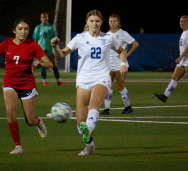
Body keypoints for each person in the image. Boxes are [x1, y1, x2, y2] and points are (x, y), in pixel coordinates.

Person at [0, 18, 53, 154]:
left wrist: (40, 63)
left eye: (26, 29)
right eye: (20, 29)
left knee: (30, 121)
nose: (23, 31)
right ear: (14, 31)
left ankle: (38, 122)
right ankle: (18, 146)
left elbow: (49, 63)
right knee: (10, 112)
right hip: (10, 83)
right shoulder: (6, 44)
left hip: (27, 84)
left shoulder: (33, 45)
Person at [51, 9, 128, 155]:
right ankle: (90, 146)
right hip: (83, 80)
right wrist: (55, 46)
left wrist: (123, 65)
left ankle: (89, 130)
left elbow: (122, 51)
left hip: (102, 78)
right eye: (92, 21)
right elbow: (62, 54)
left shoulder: (108, 38)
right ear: (87, 22)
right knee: (80, 123)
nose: (94, 23)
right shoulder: (79, 38)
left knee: (94, 105)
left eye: (97, 21)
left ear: (101, 22)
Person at [154, 15, 188, 104]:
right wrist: (181, 58)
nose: (182, 23)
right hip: (184, 60)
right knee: (175, 77)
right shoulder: (184, 32)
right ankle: (165, 96)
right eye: (181, 21)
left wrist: (180, 57)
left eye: (184, 21)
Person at [100, 14, 139, 115]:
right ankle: (107, 109)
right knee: (108, 86)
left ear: (118, 22)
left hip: (120, 64)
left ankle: (128, 107)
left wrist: (126, 55)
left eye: (114, 21)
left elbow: (135, 44)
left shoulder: (123, 33)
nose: (112, 23)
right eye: (110, 21)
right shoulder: (107, 34)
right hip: (109, 64)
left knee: (120, 87)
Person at [32, 13, 65, 86]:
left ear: (48, 18)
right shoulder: (38, 28)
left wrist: (56, 48)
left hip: (50, 49)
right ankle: (44, 81)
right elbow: (35, 40)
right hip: (41, 49)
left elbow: (56, 38)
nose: (44, 18)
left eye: (46, 17)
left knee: (54, 65)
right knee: (43, 65)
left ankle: (59, 81)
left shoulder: (51, 27)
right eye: (43, 17)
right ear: (40, 18)